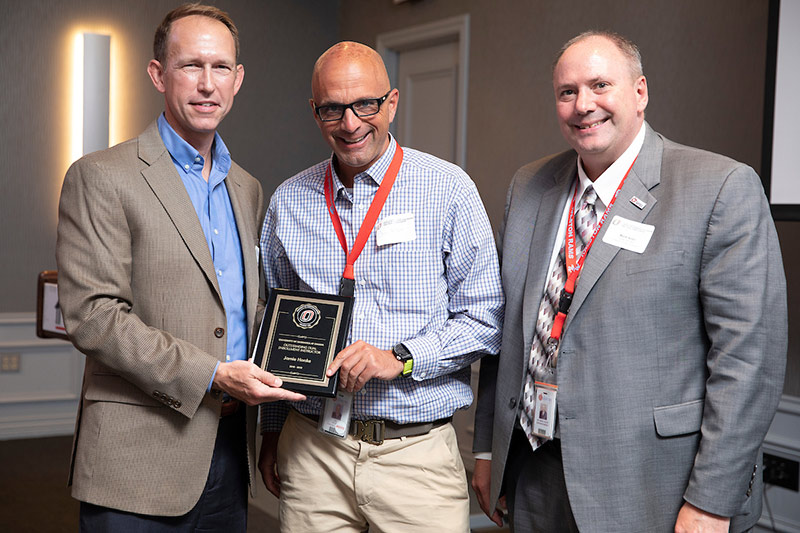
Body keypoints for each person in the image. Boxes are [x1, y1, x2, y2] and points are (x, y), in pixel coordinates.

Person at [472, 30, 787, 533]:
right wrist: (488, 449)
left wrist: (711, 501)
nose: (583, 105)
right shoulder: (529, 186)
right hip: (534, 474)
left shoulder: (719, 187)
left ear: (640, 92)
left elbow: (749, 360)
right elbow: (502, 329)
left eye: (600, 85)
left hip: (651, 485)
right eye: (567, 92)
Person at [56, 4, 304, 531]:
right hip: (136, 460)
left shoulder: (247, 188)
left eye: (220, 68)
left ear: (238, 81)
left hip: (228, 453)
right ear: (158, 74)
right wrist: (213, 374)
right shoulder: (102, 176)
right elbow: (94, 317)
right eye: (191, 65)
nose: (207, 84)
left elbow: (241, 309)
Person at [258, 41, 504, 532]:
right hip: (312, 454)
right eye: (333, 108)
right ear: (315, 112)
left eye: (365, 104)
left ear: (391, 102)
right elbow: (274, 323)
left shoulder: (447, 189)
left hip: (415, 457)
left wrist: (403, 356)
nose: (350, 124)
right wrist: (271, 433)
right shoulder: (289, 201)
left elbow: (486, 319)